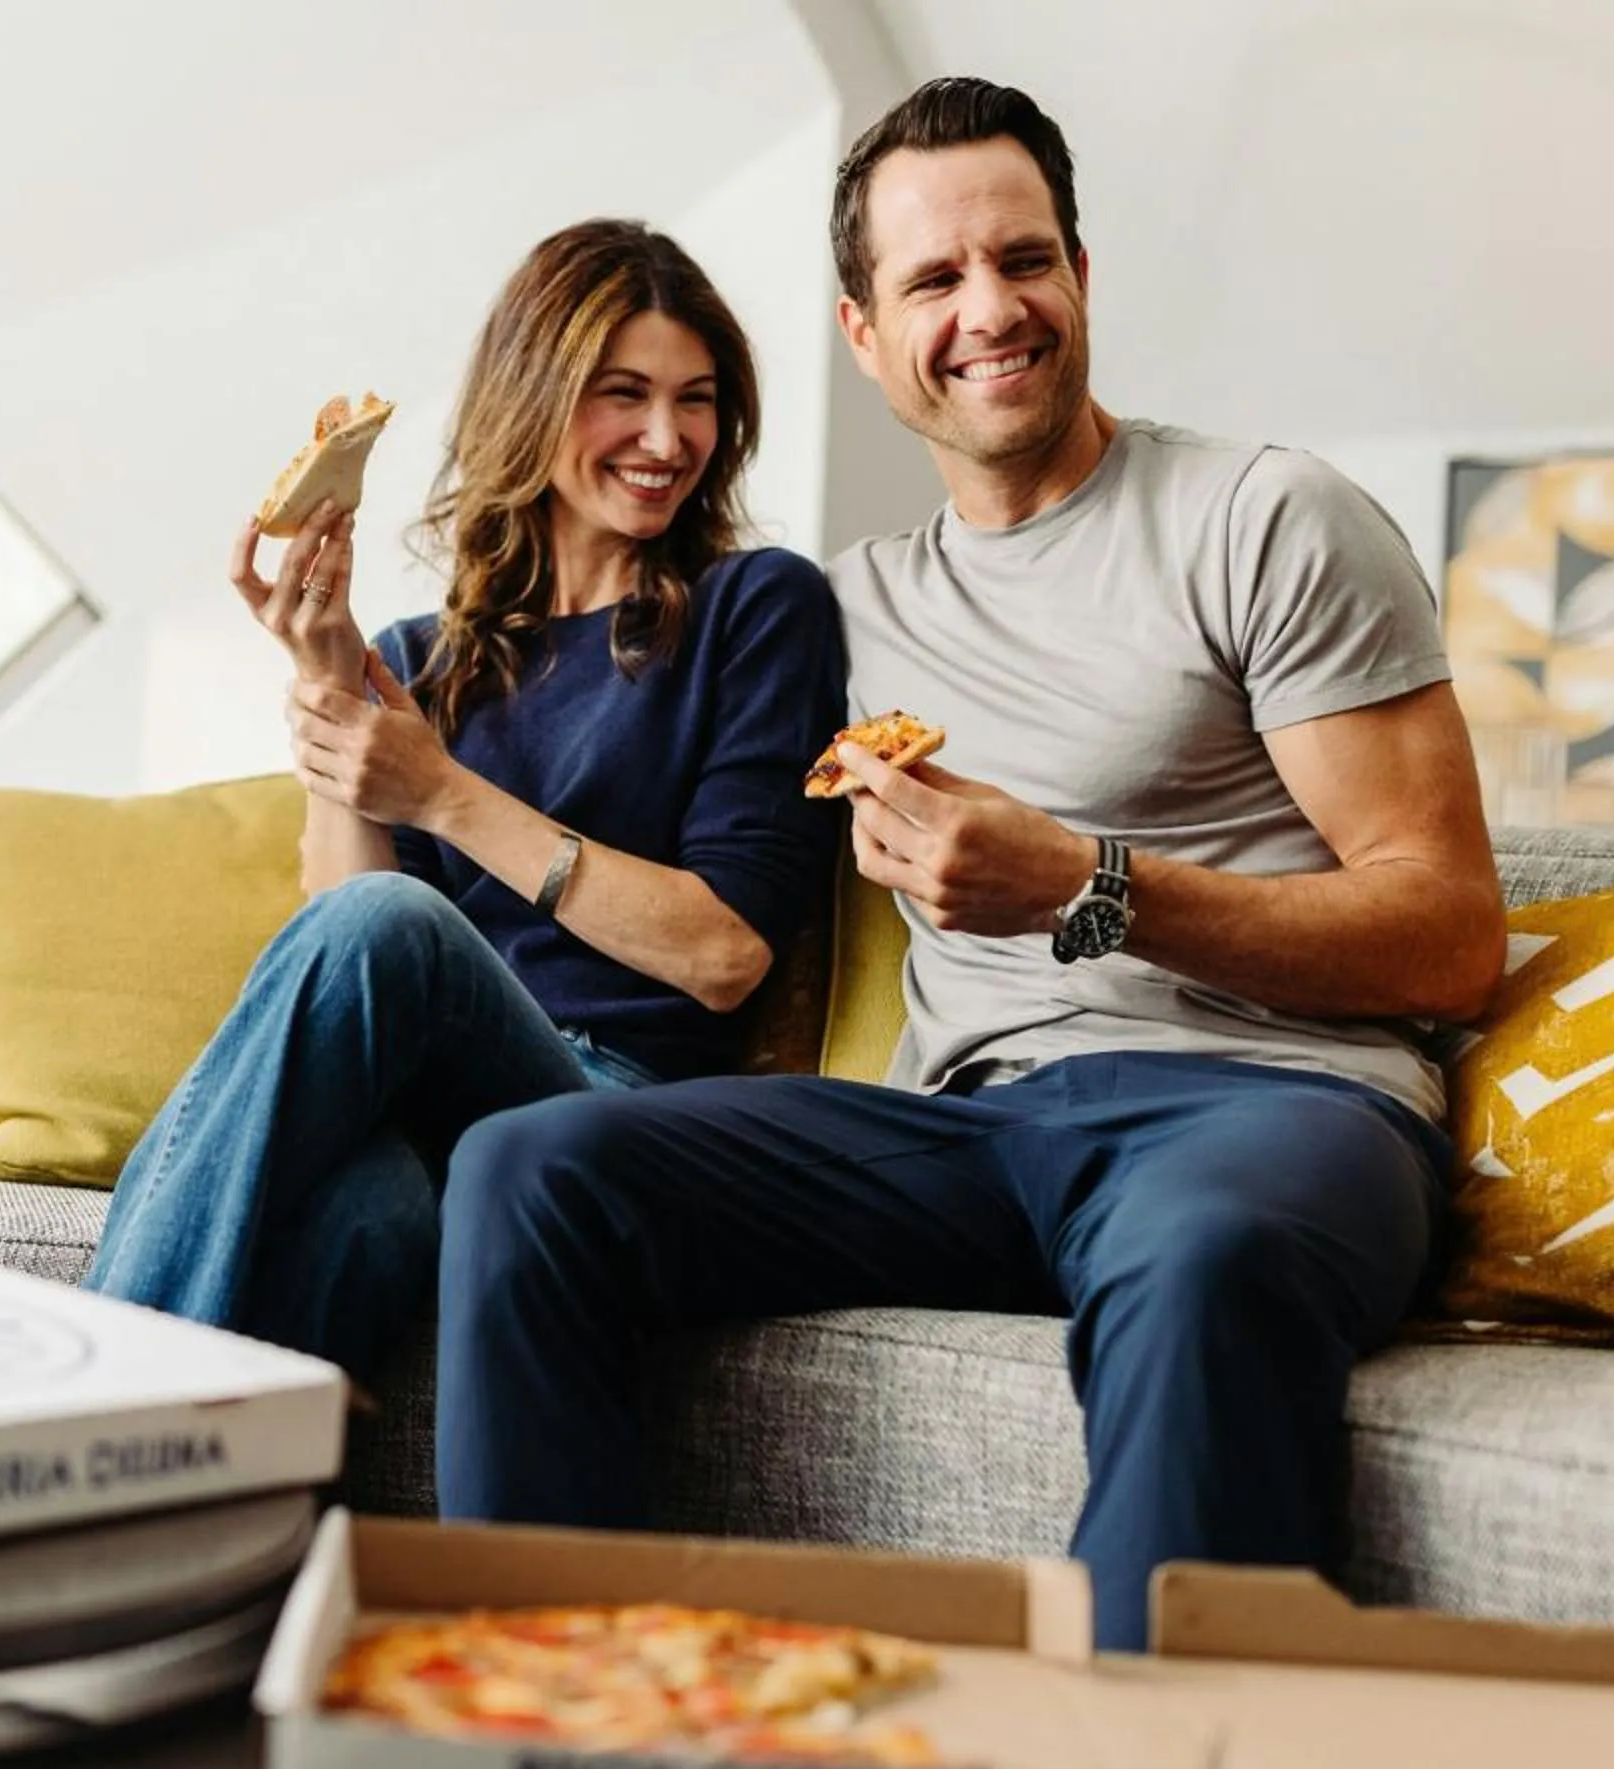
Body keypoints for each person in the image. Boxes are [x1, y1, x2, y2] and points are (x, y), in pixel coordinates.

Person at [433, 80, 1508, 1650]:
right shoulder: (842, 613)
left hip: (1276, 1110)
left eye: (1025, 260)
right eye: (935, 281)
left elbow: (1448, 936)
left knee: (1202, 1257)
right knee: (534, 1167)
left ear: (1080, 274)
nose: (989, 310)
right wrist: (367, 699)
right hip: (977, 1134)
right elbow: (633, 764)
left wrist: (1091, 885)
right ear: (865, 337)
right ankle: (551, 1718)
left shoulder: (1264, 519)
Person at [83, 219, 847, 1381]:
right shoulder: (421, 659)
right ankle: (191, 1533)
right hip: (432, 1112)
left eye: (695, 401)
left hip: (621, 1104)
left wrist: (442, 792)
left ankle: (75, 1389)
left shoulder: (757, 609)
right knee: (368, 1214)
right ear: (531, 401)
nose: (666, 437)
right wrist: (332, 684)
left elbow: (724, 952)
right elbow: (343, 925)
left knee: (392, 937)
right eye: (622, 394)